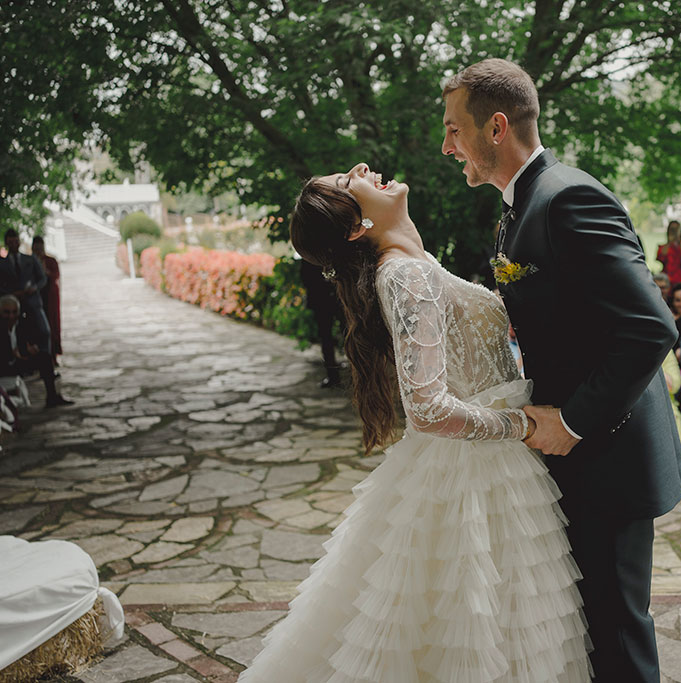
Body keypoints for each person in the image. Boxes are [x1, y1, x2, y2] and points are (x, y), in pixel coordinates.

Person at [240, 162, 593, 682]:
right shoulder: (406, 276)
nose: (361, 168)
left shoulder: (415, 261)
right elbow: (426, 407)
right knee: (474, 627)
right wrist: (520, 425)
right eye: (347, 182)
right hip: (475, 473)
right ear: (358, 227)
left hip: (491, 462)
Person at [440, 58, 681, 681]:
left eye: (452, 129)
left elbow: (651, 326)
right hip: (574, 456)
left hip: (608, 454)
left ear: (496, 128)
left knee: (618, 635)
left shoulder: (566, 197)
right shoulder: (517, 208)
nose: (446, 146)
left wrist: (573, 423)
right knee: (590, 634)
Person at [0, 295, 72, 408]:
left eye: (14, 312)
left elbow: (28, 342)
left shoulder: (22, 323)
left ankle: (52, 397)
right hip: (1, 366)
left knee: (44, 357)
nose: (11, 316)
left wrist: (29, 350)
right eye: (7, 312)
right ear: (0, 312)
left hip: (18, 361)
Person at [0, 229, 51, 357]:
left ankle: (46, 361)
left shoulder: (30, 259)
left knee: (44, 331)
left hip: (33, 301)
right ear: (6, 243)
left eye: (15, 241)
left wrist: (35, 288)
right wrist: (13, 294)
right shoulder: (2, 265)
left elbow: (42, 278)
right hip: (14, 305)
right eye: (10, 242)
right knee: (21, 334)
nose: (14, 244)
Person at [299, 259, 345, 388]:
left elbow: (305, 277)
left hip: (332, 298)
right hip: (326, 298)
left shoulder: (311, 252)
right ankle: (333, 374)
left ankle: (335, 375)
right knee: (329, 337)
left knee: (342, 335)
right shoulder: (317, 252)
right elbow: (306, 277)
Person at [30, 236, 62, 367]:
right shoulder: (30, 262)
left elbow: (56, 275)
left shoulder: (50, 261)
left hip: (50, 297)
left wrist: (46, 272)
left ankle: (53, 356)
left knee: (53, 325)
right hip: (37, 298)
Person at [656, 220, 681, 285]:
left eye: (676, 229)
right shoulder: (664, 247)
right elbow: (661, 257)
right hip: (668, 280)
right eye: (672, 229)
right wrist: (669, 242)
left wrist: (679, 240)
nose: (674, 231)